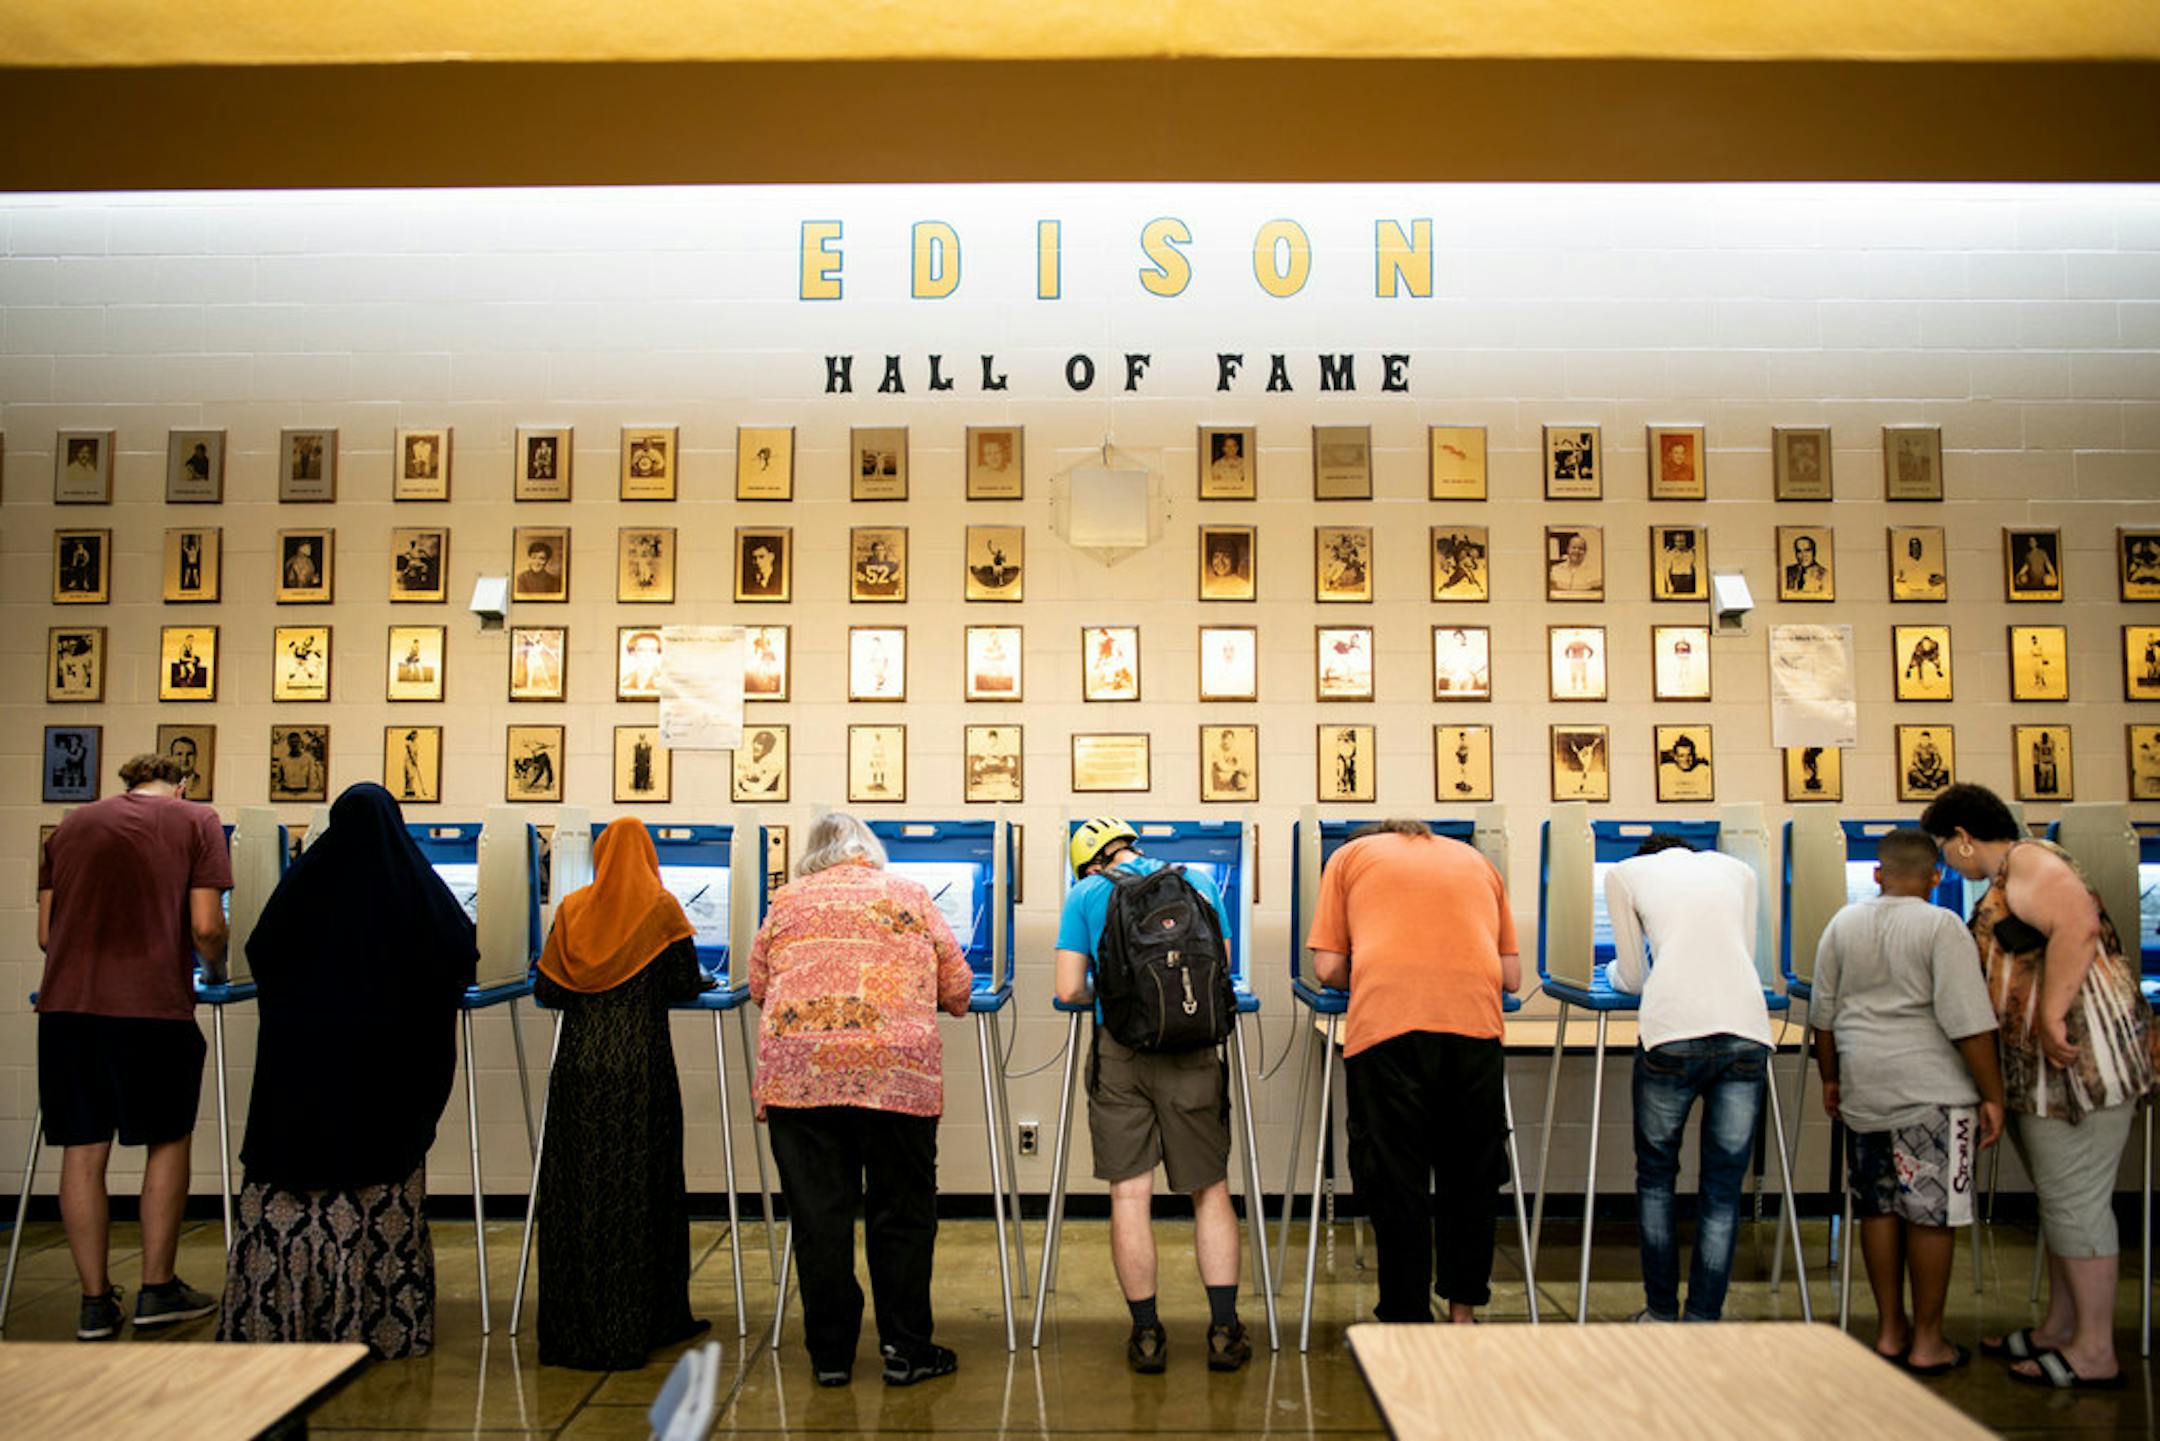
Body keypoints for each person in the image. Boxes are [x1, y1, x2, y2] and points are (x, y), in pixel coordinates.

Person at [218, 785, 476, 1357]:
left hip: (297, 1085)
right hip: (381, 1087)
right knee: (379, 1185)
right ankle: (381, 1323)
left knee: (285, 1198)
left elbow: (261, 952)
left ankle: (278, 1319)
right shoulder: (411, 885)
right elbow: (460, 952)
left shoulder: (303, 887)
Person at [1921, 784, 2157, 1390]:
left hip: (2080, 1067)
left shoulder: (2029, 861)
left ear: (1963, 838)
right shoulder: (2012, 872)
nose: (1948, 861)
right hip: (2051, 1075)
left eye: (1945, 848)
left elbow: (2076, 923)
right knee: (2062, 1202)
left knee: (2076, 1203)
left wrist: (2051, 1014)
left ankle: (2096, 1350)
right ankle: (2061, 1327)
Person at [747, 813, 973, 1387]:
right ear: (868, 852)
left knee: (819, 1217)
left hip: (800, 1078)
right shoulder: (909, 895)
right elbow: (957, 988)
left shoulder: (786, 901)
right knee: (901, 1213)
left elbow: (756, 986)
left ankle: (830, 1357)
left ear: (811, 855)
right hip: (894, 1076)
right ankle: (905, 1349)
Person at [37, 752, 230, 1340]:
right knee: (167, 1142)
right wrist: (215, 967)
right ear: (182, 784)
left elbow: (47, 935)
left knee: (83, 1150)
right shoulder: (196, 821)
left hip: (67, 1008)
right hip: (151, 1007)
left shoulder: (71, 825)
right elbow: (204, 925)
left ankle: (95, 1304)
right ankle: (157, 1288)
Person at [1053, 819, 1251, 1374]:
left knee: (1130, 1195)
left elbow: (1068, 987)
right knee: (1210, 1191)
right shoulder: (1200, 884)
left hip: (1123, 1054)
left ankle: (1146, 1336)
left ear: (1090, 860)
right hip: (1193, 1050)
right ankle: (1223, 1331)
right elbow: (1223, 969)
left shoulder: (1087, 893)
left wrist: (1112, 994)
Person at [1306, 820, 1520, 1324]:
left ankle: (1406, 1316)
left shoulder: (1349, 858)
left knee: (1396, 1178)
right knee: (1470, 1176)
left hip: (1389, 1029)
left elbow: (1327, 968)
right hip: (1475, 1029)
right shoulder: (1477, 862)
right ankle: (1463, 1312)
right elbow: (1512, 977)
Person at [1810, 828, 2006, 1374]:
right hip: (1933, 1096)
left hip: (1864, 1089)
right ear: (1936, 876)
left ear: (1877, 874)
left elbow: (1821, 1016)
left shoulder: (1842, 924)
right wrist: (1993, 1095)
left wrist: (1831, 1079)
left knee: (1878, 1210)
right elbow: (1968, 1022)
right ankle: (1928, 1341)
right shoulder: (1942, 925)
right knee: (1931, 1215)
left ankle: (1890, 1332)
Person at [533, 820, 709, 1370]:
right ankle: (642, 1324)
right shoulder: (661, 909)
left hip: (579, 1068)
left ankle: (572, 1334)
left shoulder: (571, 909)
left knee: (577, 1195)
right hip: (641, 1069)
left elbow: (549, 989)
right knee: (642, 1191)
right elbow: (684, 982)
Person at [1603, 835, 1773, 1323]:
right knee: (1722, 1188)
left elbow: (1633, 979)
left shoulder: (1624, 874)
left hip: (1672, 1034)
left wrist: (1612, 970)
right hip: (1745, 1030)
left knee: (1657, 1180)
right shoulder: (1738, 870)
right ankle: (1703, 1319)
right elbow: (1743, 954)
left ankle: (1659, 1313)